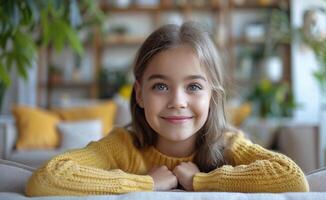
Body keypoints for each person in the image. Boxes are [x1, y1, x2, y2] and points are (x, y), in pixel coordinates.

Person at [25, 22, 309, 196]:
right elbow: (48, 178)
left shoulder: (228, 143)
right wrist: (145, 184)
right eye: (160, 86)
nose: (177, 101)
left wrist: (201, 180)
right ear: (139, 94)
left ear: (212, 95)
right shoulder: (120, 146)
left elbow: (292, 178)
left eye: (194, 87)